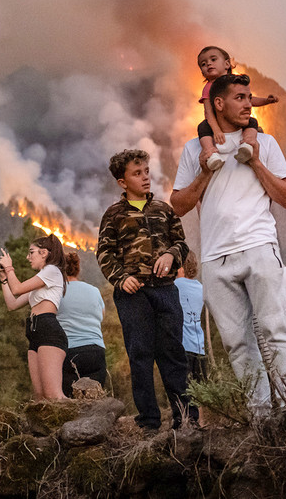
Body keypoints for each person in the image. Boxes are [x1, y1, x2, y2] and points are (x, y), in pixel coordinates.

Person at [171, 74, 286, 410]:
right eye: (240, 97)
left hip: (259, 246)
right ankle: (261, 418)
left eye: (249, 97)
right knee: (237, 343)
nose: (247, 104)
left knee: (275, 330)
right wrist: (204, 173)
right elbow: (179, 205)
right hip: (215, 257)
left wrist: (255, 160)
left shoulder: (266, 143)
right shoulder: (194, 149)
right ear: (218, 103)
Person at [97, 149, 197, 431]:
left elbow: (181, 243)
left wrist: (171, 256)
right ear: (122, 182)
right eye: (136, 173)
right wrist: (120, 278)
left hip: (166, 290)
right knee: (140, 354)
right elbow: (104, 253)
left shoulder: (164, 209)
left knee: (173, 353)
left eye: (146, 172)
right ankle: (149, 421)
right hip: (133, 294)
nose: (145, 178)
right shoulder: (114, 215)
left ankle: (186, 417)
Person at [0, 234, 69, 400]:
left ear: (44, 253)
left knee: (53, 395)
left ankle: (84, 418)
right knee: (40, 396)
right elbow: (12, 304)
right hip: (35, 332)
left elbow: (17, 289)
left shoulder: (51, 271)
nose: (28, 257)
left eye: (32, 252)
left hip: (48, 330)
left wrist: (9, 268)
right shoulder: (40, 281)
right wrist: (3, 280)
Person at [195, 46, 278, 169]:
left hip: (234, 122)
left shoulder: (235, 83)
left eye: (213, 59)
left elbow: (249, 100)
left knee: (252, 121)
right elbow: (208, 112)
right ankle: (211, 154)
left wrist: (266, 101)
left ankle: (247, 145)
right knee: (203, 128)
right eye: (203, 63)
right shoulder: (208, 88)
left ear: (227, 63)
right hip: (213, 123)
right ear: (202, 72)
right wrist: (216, 129)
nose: (209, 64)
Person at [55, 252, 108, 396]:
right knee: (95, 400)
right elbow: (101, 316)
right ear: (78, 268)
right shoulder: (94, 291)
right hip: (95, 350)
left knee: (70, 402)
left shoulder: (57, 292)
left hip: (69, 352)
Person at [174, 254, 208, 383]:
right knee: (200, 391)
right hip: (199, 346)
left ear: (180, 267)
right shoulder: (201, 288)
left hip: (182, 345)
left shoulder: (175, 286)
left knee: (184, 391)